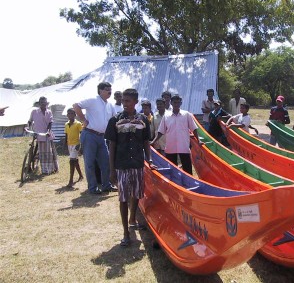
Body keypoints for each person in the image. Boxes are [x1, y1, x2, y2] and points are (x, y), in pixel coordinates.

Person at [105, 88, 156, 247]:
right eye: (123, 101)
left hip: (138, 164)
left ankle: (133, 219)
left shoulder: (143, 120)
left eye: (127, 101)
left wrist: (150, 160)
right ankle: (126, 233)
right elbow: (112, 145)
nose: (124, 103)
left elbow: (146, 142)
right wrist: (112, 169)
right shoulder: (115, 120)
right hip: (122, 165)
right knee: (123, 198)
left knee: (136, 194)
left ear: (135, 102)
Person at [73, 82, 117, 194]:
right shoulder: (93, 100)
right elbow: (76, 105)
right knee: (90, 163)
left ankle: (106, 185)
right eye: (107, 89)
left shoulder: (110, 105)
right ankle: (93, 188)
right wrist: (83, 120)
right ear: (100, 90)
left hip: (102, 137)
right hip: (89, 135)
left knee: (106, 162)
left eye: (110, 89)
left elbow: (115, 119)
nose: (109, 91)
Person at [151, 94, 202, 174]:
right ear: (171, 103)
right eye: (175, 102)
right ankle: (175, 184)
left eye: (178, 103)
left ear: (181, 103)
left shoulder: (186, 115)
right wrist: (153, 141)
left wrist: (198, 140)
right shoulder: (166, 116)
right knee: (172, 168)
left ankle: (188, 184)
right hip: (171, 147)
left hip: (184, 146)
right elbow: (161, 131)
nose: (176, 104)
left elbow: (194, 128)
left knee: (187, 168)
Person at [27, 97, 59, 175]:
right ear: (39, 103)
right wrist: (28, 127)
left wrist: (48, 131)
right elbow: (30, 121)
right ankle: (41, 168)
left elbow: (50, 123)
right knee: (41, 152)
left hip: (47, 134)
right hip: (38, 134)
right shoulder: (34, 112)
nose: (43, 104)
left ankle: (50, 169)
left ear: (46, 103)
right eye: (41, 102)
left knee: (48, 153)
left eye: (44, 102)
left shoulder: (49, 112)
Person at [64, 108, 84, 187]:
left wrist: (81, 145)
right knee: (75, 161)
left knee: (71, 161)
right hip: (69, 144)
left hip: (76, 144)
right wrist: (64, 145)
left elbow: (82, 134)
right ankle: (81, 175)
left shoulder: (78, 124)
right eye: (68, 114)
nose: (70, 115)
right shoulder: (66, 124)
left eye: (72, 114)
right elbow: (66, 135)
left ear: (75, 115)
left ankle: (71, 180)